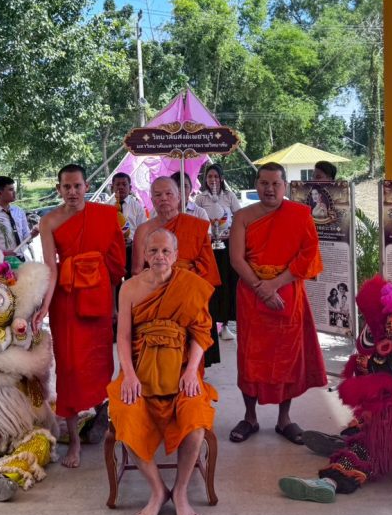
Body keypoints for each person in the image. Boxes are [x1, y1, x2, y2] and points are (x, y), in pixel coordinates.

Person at [107, 229, 217, 515]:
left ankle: (180, 491)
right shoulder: (129, 288)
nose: (159, 257)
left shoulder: (189, 285)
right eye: (153, 251)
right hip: (139, 370)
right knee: (126, 415)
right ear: (144, 254)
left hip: (182, 369)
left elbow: (202, 333)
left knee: (195, 419)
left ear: (176, 255)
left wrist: (192, 372)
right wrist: (129, 375)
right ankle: (158, 491)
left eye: (166, 251)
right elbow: (123, 337)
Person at [228, 163, 326, 445]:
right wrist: (261, 288)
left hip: (288, 292)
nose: (269, 189)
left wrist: (274, 285)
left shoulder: (299, 214)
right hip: (251, 293)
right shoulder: (243, 216)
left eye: (275, 184)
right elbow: (236, 259)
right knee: (251, 356)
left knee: (287, 356)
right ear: (256, 185)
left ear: (285, 186)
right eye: (264, 183)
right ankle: (250, 417)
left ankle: (284, 419)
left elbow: (308, 255)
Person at [37, 163, 126, 468]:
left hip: (99, 299)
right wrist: (43, 307)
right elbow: (50, 268)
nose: (72, 192)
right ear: (59, 189)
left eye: (77, 186)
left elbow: (115, 266)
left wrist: (114, 306)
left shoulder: (105, 216)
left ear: (87, 187)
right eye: (67, 187)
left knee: (100, 364)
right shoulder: (48, 221)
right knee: (70, 369)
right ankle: (74, 440)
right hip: (66, 302)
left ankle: (110, 425)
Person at [133, 177, 222, 364]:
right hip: (156, 300)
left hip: (188, 298)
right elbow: (137, 271)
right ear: (151, 199)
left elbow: (207, 268)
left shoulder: (195, 226)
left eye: (169, 194)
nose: (164, 198)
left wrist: (182, 283)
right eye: (158, 195)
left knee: (189, 356)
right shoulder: (143, 230)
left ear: (179, 197)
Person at [195, 164, 241, 344]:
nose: (213, 180)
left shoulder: (229, 196)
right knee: (209, 283)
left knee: (226, 281)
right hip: (208, 246)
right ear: (205, 179)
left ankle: (226, 324)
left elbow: (239, 217)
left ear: (221, 178)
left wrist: (231, 232)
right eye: (209, 176)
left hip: (226, 245)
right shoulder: (201, 198)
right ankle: (210, 323)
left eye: (215, 176)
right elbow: (196, 219)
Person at [110, 172, 148, 276]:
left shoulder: (137, 207)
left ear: (130, 188)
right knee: (114, 277)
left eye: (124, 184)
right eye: (117, 184)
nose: (121, 187)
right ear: (112, 187)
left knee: (131, 277)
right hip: (113, 250)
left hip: (132, 249)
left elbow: (143, 229)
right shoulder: (107, 207)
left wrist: (133, 242)